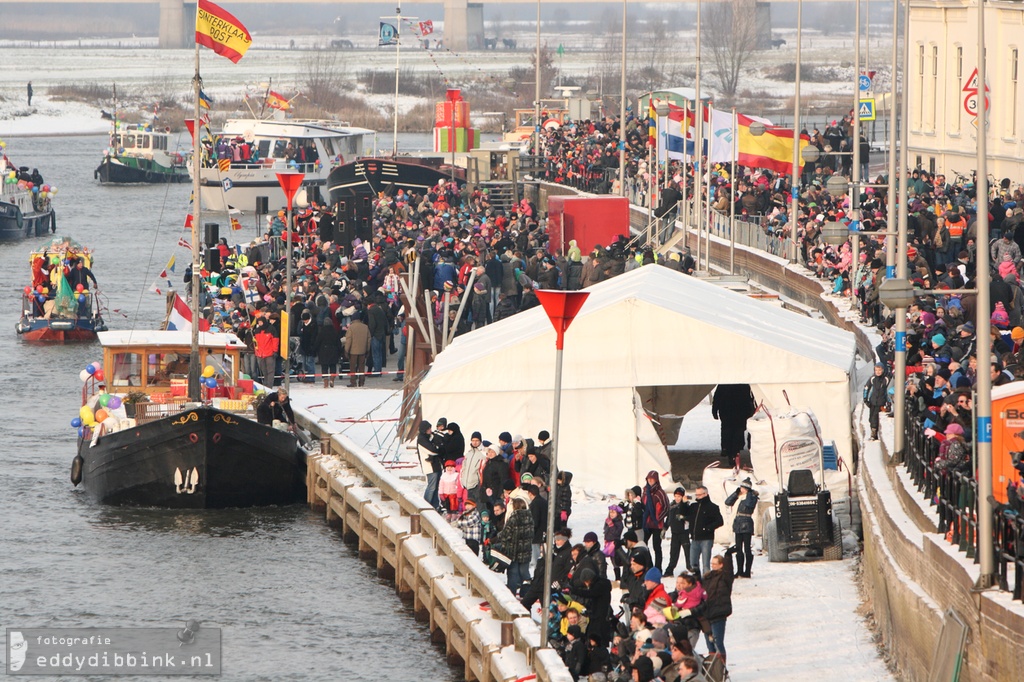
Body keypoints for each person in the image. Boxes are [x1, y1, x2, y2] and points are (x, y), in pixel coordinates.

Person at [689, 551, 734, 664]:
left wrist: (728, 556)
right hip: (706, 614)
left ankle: (721, 667)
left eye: (715, 563)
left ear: (721, 565)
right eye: (712, 563)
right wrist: (696, 575)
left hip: (718, 614)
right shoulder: (707, 577)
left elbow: (729, 571)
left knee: (718, 642)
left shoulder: (725, 577)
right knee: (709, 644)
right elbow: (700, 588)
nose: (712, 565)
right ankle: (714, 668)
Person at [711, 384, 757, 466]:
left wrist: (715, 410)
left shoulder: (724, 383)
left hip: (727, 411)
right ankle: (735, 452)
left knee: (727, 430)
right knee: (737, 431)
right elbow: (750, 397)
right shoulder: (744, 383)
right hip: (740, 411)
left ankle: (728, 449)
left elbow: (717, 397)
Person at [495, 497, 533, 596]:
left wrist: (498, 537)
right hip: (526, 551)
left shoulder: (514, 518)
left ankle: (511, 594)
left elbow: (505, 533)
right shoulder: (530, 517)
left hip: (514, 551)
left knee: (513, 573)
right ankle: (526, 593)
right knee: (525, 573)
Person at [723, 478, 759, 578]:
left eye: (743, 488)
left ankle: (747, 571)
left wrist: (749, 493)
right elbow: (728, 502)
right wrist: (736, 493)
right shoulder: (739, 497)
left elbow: (749, 504)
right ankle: (739, 570)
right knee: (738, 548)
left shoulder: (752, 496)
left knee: (747, 548)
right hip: (738, 522)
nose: (741, 489)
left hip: (746, 522)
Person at [687, 486, 723, 577]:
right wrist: (683, 504)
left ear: (705, 494)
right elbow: (685, 514)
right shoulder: (693, 506)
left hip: (706, 539)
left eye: (699, 494)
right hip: (695, 538)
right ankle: (696, 582)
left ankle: (707, 583)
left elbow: (719, 521)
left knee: (706, 564)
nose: (697, 496)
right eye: (696, 494)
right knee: (693, 563)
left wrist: (707, 528)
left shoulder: (712, 507)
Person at [641, 471, 670, 572]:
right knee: (643, 544)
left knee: (656, 546)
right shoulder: (645, 491)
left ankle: (658, 568)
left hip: (657, 524)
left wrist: (659, 518)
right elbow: (643, 504)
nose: (650, 481)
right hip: (647, 523)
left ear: (656, 480)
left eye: (652, 479)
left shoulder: (660, 493)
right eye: (648, 479)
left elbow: (666, 507)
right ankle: (649, 565)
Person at [417, 420, 444, 511]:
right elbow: (432, 450)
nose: (430, 430)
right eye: (429, 428)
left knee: (436, 487)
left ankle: (435, 505)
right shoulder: (421, 439)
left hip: (435, 465)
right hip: (430, 466)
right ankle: (426, 505)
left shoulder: (428, 437)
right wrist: (438, 449)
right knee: (431, 487)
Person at [663, 487, 691, 577]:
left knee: (688, 552)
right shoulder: (672, 506)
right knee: (673, 552)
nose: (677, 498)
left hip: (684, 532)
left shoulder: (686, 505)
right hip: (674, 533)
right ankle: (670, 570)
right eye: (676, 496)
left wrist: (684, 516)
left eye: (679, 496)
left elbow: (689, 516)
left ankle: (690, 567)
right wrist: (665, 528)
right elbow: (669, 518)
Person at [313, 317, 342, 388]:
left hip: (323, 352)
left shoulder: (321, 332)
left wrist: (314, 350)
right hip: (333, 351)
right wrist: (340, 352)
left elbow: (317, 342)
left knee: (324, 367)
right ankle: (332, 379)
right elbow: (339, 343)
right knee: (333, 366)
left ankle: (325, 383)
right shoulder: (335, 331)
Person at [343, 312, 371, 387]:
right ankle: (361, 382)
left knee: (353, 368)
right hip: (363, 351)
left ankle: (353, 382)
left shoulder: (351, 328)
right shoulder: (365, 327)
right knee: (361, 368)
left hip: (353, 352)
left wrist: (346, 350)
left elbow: (348, 340)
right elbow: (369, 340)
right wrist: (367, 350)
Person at [864, 362, 889, 440]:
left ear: (883, 370)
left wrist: (888, 401)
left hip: (881, 401)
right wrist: (865, 399)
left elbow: (888, 390)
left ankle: (874, 434)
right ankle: (873, 431)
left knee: (875, 417)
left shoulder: (886, 379)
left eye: (879, 370)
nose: (878, 372)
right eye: (876, 370)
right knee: (871, 418)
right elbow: (866, 388)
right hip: (873, 401)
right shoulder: (873, 378)